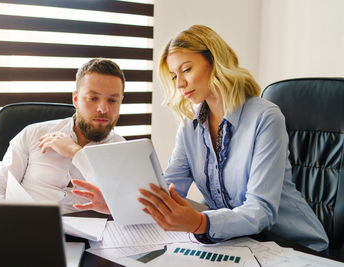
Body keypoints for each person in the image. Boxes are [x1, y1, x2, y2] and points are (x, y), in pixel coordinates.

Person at [135, 25, 329, 252]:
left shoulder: (265, 117)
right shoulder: (189, 126)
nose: (179, 84)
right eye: (173, 76)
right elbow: (170, 191)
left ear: (215, 61)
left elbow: (261, 210)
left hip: (292, 246)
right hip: (241, 244)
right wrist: (117, 200)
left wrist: (201, 222)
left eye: (186, 69)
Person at [0, 58, 125, 214]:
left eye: (112, 100)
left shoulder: (125, 152)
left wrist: (76, 153)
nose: (103, 108)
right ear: (75, 99)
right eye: (93, 98)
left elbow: (123, 206)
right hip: (24, 228)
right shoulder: (33, 134)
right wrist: (5, 221)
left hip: (90, 236)